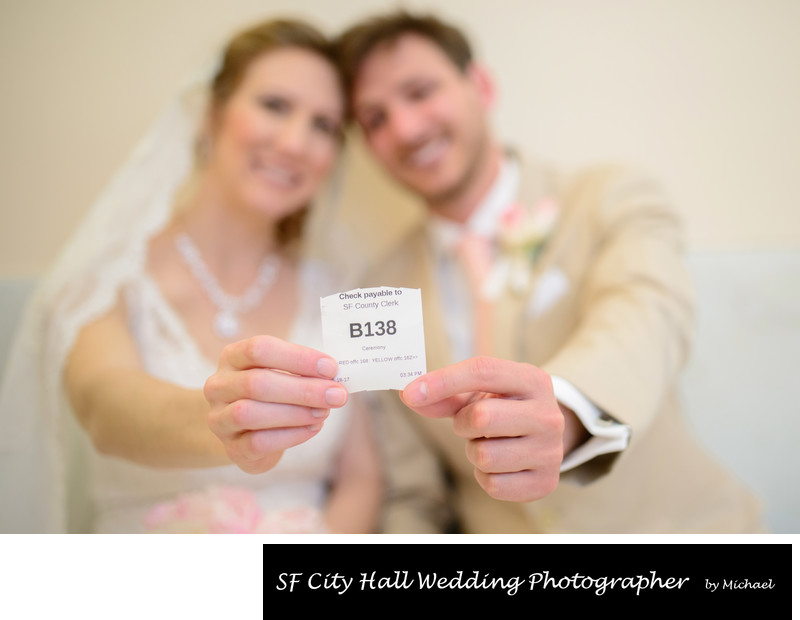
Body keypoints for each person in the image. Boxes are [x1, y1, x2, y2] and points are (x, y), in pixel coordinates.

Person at [323, 10, 763, 533]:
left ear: (480, 85)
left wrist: (569, 411)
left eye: (420, 92)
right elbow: (413, 495)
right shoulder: (375, 292)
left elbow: (648, 315)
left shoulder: (607, 197)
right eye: (375, 118)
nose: (407, 128)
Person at [0, 18, 381, 534]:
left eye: (323, 125)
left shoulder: (337, 292)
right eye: (275, 106)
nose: (296, 142)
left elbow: (361, 477)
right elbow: (105, 409)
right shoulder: (108, 279)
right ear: (212, 113)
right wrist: (224, 421)